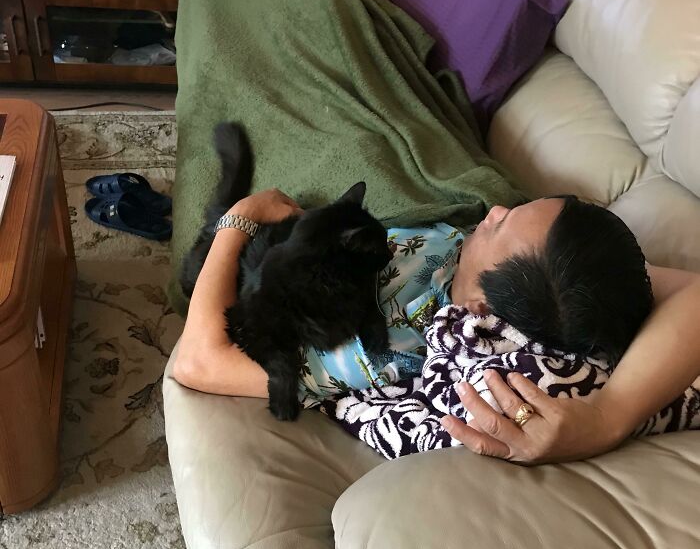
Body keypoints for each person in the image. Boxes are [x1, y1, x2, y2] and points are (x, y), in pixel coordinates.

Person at [172, 188, 700, 464]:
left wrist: (239, 217)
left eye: (500, 226)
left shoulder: (377, 345)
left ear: (481, 307)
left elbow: (199, 362)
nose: (494, 210)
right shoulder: (570, 280)